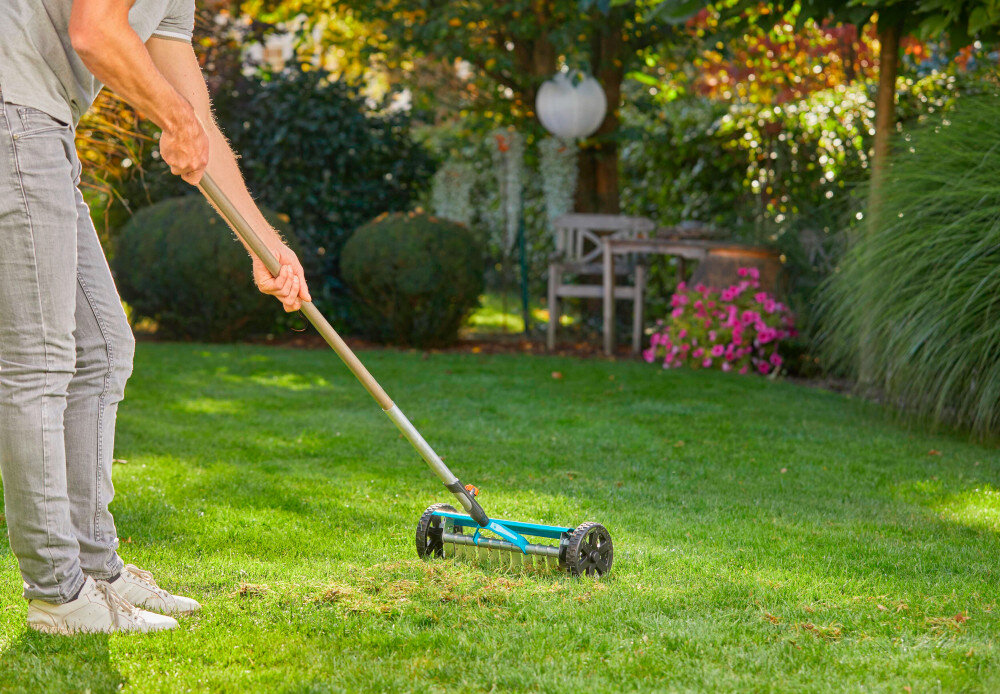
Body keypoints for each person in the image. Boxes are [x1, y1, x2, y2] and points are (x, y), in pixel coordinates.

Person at [0, 0, 312, 635]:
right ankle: (59, 595)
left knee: (104, 349)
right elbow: (96, 31)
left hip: (41, 124)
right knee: (40, 363)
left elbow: (194, 114)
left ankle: (95, 570)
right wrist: (170, 118)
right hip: (15, 115)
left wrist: (264, 245)